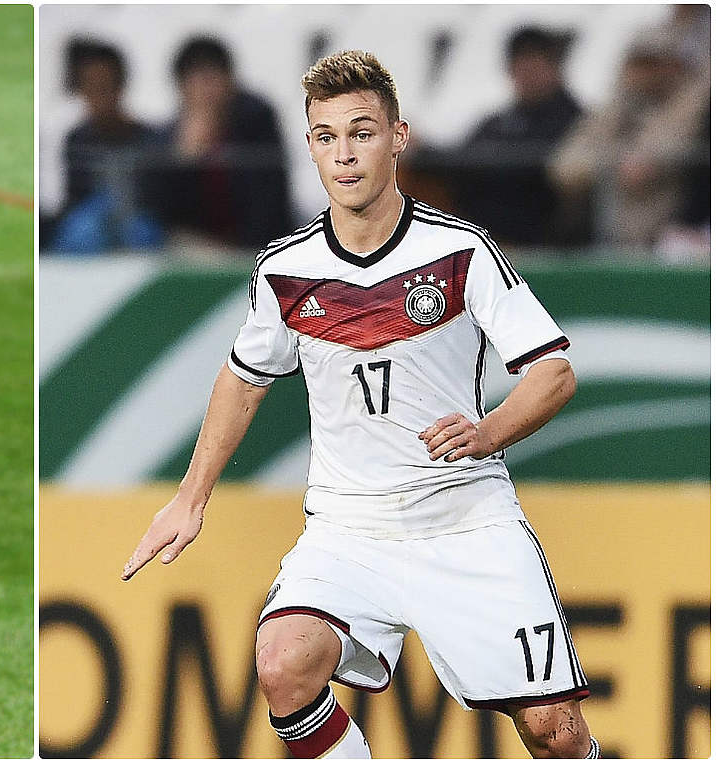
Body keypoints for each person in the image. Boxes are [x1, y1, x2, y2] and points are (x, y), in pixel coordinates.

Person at [123, 51, 599, 759]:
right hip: (348, 530)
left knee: (552, 730)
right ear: (309, 145)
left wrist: (487, 429)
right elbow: (243, 378)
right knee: (282, 662)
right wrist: (191, 497)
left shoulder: (460, 251)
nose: (344, 154)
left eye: (362, 132)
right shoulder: (285, 271)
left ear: (398, 137)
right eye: (326, 136)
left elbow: (553, 373)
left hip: (464, 521)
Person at [550, 23, 710, 250]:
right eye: (641, 63)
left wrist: (613, 164)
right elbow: (566, 168)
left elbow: (645, 164)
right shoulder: (614, 107)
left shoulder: (689, 106)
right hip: (606, 235)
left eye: (657, 63)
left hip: (665, 234)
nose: (648, 73)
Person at [139, 36, 293, 252]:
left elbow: (268, 196)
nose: (207, 91)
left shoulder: (255, 120)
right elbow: (162, 210)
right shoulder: (169, 136)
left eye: (213, 78)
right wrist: (184, 160)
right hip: (200, 244)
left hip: (256, 243)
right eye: (198, 81)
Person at [450, 26, 588, 248]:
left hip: (549, 248)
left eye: (536, 63)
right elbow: (458, 158)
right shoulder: (497, 123)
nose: (527, 73)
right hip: (485, 244)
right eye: (520, 63)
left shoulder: (579, 123)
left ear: (555, 66)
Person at [47, 38, 162, 253]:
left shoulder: (149, 138)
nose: (98, 95)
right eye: (90, 86)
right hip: (89, 232)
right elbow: (72, 198)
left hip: (139, 228)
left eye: (104, 86)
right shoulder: (77, 138)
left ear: (119, 86)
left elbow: (157, 201)